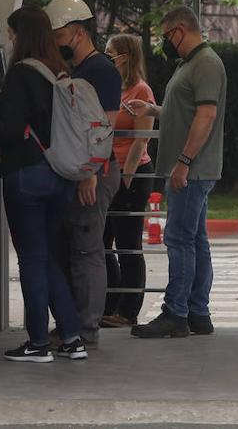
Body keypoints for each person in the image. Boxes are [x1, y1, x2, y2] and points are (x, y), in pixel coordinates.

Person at [0, 6, 88, 363]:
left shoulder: (21, 74)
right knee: (46, 256)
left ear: (23, 35)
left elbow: (9, 129)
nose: (10, 39)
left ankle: (37, 342)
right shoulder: (59, 71)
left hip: (27, 177)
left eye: (12, 33)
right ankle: (73, 336)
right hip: (59, 175)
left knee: (31, 258)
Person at [127, 6, 226, 339]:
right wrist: (153, 109)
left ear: (181, 30)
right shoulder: (190, 64)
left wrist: (183, 161)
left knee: (179, 239)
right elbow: (184, 111)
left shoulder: (206, 64)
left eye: (167, 36)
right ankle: (197, 313)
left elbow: (206, 116)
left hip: (192, 170)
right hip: (189, 168)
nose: (166, 43)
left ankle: (175, 313)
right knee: (195, 240)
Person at [43, 0, 123, 347]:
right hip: (81, 172)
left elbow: (103, 128)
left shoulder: (100, 71)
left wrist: (89, 173)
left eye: (58, 36)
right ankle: (73, 325)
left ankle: (85, 329)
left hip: (93, 173)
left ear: (76, 32)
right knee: (72, 249)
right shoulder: (81, 70)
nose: (55, 43)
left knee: (87, 251)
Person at [100, 33, 157, 328]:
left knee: (128, 245)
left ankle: (128, 310)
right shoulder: (112, 88)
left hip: (131, 176)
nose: (106, 57)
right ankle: (109, 303)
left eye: (110, 53)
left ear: (125, 57)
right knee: (102, 243)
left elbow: (140, 141)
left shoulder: (141, 90)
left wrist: (125, 179)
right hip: (107, 173)